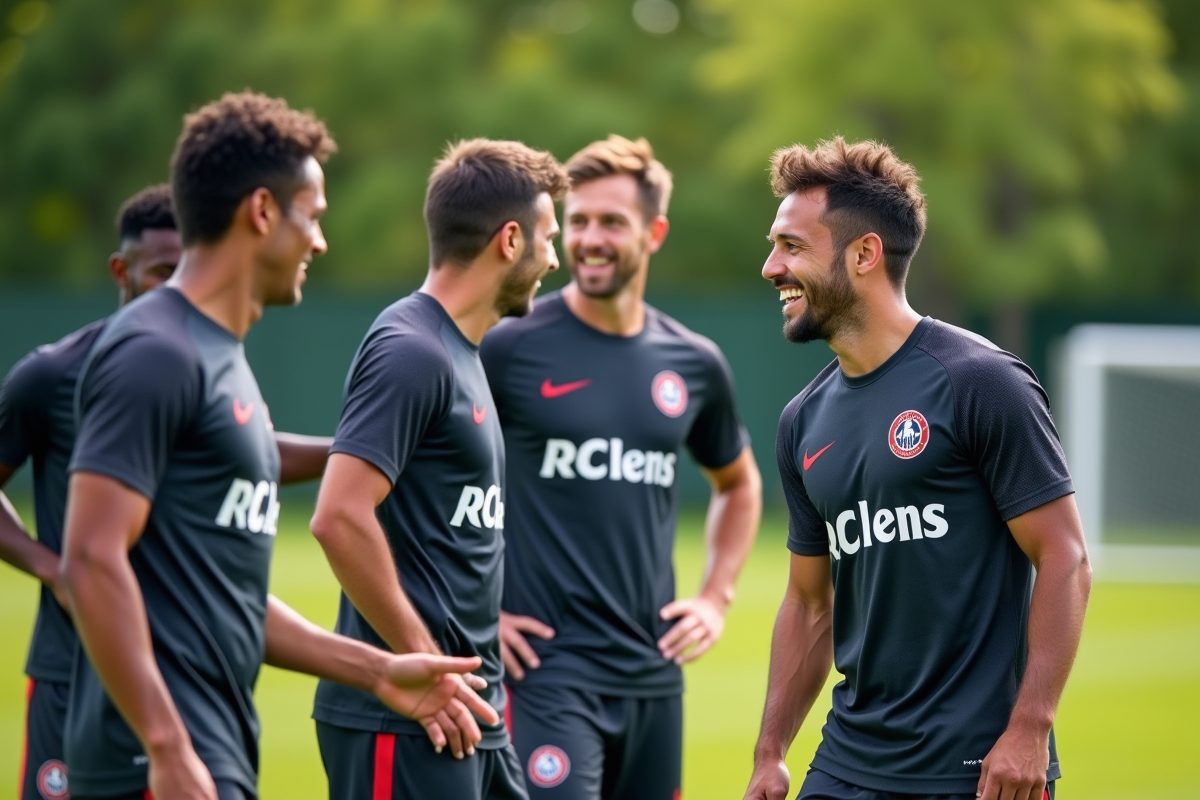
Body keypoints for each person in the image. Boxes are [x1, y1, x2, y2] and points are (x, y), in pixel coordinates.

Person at [59, 92, 495, 800]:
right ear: (262, 211)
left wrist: (378, 670)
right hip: (150, 762)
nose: (319, 243)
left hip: (211, 751)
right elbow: (89, 557)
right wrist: (165, 746)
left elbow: (220, 595)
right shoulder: (156, 351)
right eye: (312, 217)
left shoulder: (220, 358)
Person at [745, 137, 1092, 800]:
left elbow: (1065, 558)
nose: (771, 267)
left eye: (791, 246)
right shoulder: (802, 420)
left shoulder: (980, 381)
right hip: (848, 761)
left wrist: (1030, 729)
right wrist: (770, 752)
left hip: (979, 768)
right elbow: (811, 603)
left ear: (864, 254)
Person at [480, 135, 762, 800]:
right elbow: (428, 479)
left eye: (611, 222)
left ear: (653, 233)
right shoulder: (510, 345)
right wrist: (478, 614)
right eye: (577, 221)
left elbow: (739, 482)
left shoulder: (694, 362)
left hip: (653, 675)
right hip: (544, 670)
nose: (589, 239)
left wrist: (716, 596)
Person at [308, 138, 567, 800]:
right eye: (549, 238)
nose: (555, 259)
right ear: (511, 240)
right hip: (408, 718)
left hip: (470, 713)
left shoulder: (461, 351)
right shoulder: (412, 349)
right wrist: (426, 664)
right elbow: (339, 516)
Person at [0, 184, 181, 800]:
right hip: (72, 669)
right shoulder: (52, 374)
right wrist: (50, 568)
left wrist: (354, 454)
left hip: (179, 670)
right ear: (121, 271)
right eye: (162, 272)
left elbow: (259, 453)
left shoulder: (205, 371)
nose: (178, 288)